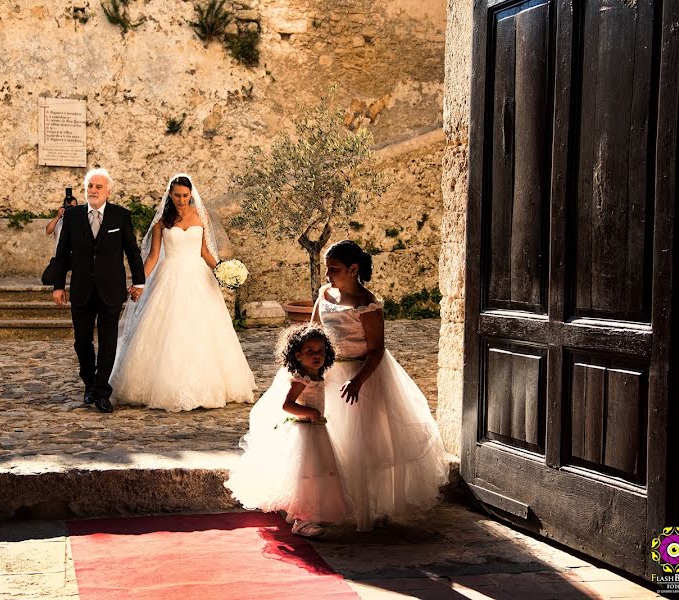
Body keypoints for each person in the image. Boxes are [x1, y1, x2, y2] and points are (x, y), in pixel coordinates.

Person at [313, 240, 448, 532]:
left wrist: (357, 380)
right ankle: (326, 502)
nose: (328, 276)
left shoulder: (367, 305)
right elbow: (313, 331)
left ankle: (366, 505)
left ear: (353, 269)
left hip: (363, 377)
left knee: (363, 446)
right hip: (328, 373)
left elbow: (377, 349)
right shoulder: (325, 294)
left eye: (334, 270)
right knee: (328, 440)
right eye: (327, 269)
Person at [108, 173, 256, 411]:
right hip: (170, 277)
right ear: (170, 194)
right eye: (177, 195)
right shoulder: (161, 223)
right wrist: (139, 281)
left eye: (185, 195)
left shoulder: (201, 216)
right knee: (169, 327)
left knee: (203, 328)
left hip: (199, 276)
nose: (181, 199)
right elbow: (153, 257)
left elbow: (205, 252)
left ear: (191, 194)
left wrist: (222, 270)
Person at [224, 325, 347, 538]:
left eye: (321, 351)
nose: (317, 356)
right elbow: (287, 405)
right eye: (310, 352)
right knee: (306, 475)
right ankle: (302, 521)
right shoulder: (301, 379)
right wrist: (308, 412)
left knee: (317, 474)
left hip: (316, 431)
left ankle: (309, 513)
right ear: (298, 355)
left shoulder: (317, 376)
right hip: (304, 433)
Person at [51, 168, 145, 413]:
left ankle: (102, 391)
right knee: (82, 341)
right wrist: (58, 285)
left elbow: (132, 251)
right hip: (81, 289)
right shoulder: (72, 217)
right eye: (90, 186)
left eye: (98, 187)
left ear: (108, 191)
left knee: (108, 342)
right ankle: (89, 383)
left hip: (111, 289)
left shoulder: (120, 216)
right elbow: (61, 254)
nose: (93, 190)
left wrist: (139, 282)